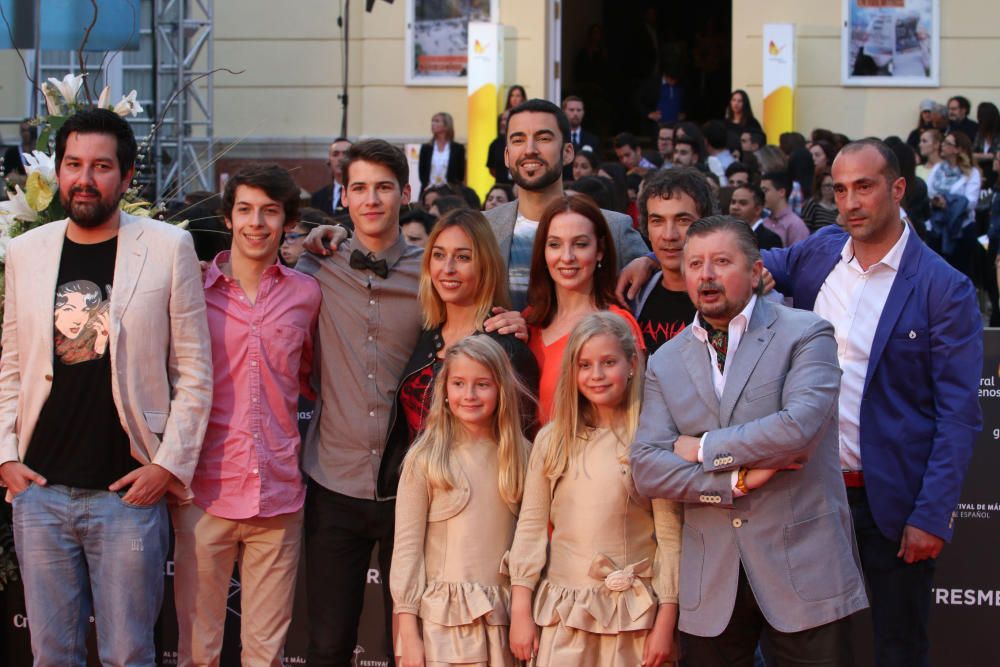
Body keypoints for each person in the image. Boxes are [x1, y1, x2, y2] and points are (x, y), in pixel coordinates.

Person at [294, 139, 525, 666]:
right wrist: (308, 239)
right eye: (358, 189)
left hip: (416, 492)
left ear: (405, 192)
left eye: (383, 187)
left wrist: (517, 320)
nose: (371, 200)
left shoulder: (434, 273)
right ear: (343, 197)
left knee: (412, 644)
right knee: (327, 645)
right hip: (334, 483)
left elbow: (477, 307)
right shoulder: (315, 265)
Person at [0, 108, 213, 665]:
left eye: (100, 166)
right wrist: (4, 456)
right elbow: (12, 364)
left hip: (128, 496)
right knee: (52, 654)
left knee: (128, 654)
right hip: (40, 493)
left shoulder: (168, 247)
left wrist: (166, 466)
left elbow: (193, 372)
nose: (84, 178)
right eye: (73, 164)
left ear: (125, 174)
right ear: (58, 172)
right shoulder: (28, 251)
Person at [762, 139, 982, 667]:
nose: (850, 202)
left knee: (897, 649)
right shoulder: (818, 253)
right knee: (807, 647)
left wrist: (931, 515)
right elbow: (742, 259)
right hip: (808, 493)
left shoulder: (943, 288)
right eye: (839, 189)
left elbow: (958, 416)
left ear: (897, 188)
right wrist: (655, 258)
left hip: (890, 503)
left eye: (864, 186)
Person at [630, 215, 867, 666]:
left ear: (756, 272)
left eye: (722, 261)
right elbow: (646, 466)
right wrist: (734, 482)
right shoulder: (665, 359)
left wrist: (701, 448)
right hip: (711, 579)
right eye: (695, 263)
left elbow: (797, 431)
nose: (707, 275)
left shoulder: (807, 333)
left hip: (803, 570)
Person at [173, 164, 321, 666]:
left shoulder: (307, 294)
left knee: (266, 656)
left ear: (287, 222)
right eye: (245, 210)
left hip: (279, 497)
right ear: (229, 218)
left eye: (270, 211)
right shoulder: (191, 290)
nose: (256, 222)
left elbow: (310, 376)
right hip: (204, 495)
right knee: (198, 651)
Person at [508, 312, 681, 667]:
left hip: (633, 619)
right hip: (563, 614)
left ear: (632, 364)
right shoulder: (552, 440)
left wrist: (666, 619)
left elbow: (670, 537)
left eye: (608, 362)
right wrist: (521, 609)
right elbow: (530, 529)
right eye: (585, 365)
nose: (596, 375)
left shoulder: (650, 442)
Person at [391, 336, 530, 667]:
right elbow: (407, 552)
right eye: (459, 383)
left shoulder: (523, 455)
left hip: (501, 624)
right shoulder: (425, 458)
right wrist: (408, 636)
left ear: (501, 388)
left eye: (482, 384)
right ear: (445, 389)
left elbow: (533, 542)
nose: (469, 395)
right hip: (439, 627)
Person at [387, 208, 538, 475]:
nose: (448, 269)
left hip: (477, 504)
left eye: (463, 257)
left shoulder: (506, 347)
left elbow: (521, 450)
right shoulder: (426, 334)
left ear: (485, 264)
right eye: (439, 255)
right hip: (411, 498)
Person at [484, 98, 648, 311]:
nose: (530, 149)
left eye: (543, 138)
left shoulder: (613, 228)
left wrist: (651, 260)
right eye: (518, 140)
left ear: (567, 152)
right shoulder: (483, 227)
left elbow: (664, 286)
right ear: (507, 156)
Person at [525, 194, 644, 424]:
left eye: (580, 244)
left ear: (599, 250)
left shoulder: (618, 325)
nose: (567, 257)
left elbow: (635, 414)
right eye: (555, 244)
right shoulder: (527, 321)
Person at [632, 168, 708, 355]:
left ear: (707, 224)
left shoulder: (730, 298)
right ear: (647, 229)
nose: (669, 235)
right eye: (657, 221)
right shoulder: (633, 296)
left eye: (682, 220)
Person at [927, 131, 982, 274]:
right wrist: (937, 201)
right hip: (938, 226)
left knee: (958, 271)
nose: (943, 146)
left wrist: (949, 203)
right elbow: (929, 190)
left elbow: (971, 202)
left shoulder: (971, 172)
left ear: (958, 149)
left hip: (961, 230)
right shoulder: (938, 168)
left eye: (948, 143)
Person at [419, 112, 466, 195]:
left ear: (446, 126)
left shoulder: (458, 148)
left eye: (437, 121)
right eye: (432, 121)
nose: (432, 124)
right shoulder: (426, 148)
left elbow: (460, 174)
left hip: (450, 192)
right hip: (429, 190)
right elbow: (422, 172)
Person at [728, 183, 785, 250]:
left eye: (743, 203)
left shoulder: (769, 239)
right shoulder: (727, 235)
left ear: (758, 209)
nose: (735, 207)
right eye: (733, 202)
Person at [761, 170, 809, 246]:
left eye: (765, 190)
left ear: (781, 192)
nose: (761, 195)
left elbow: (799, 256)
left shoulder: (795, 225)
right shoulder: (764, 221)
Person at [311, 137, 352, 217]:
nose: (340, 159)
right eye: (335, 154)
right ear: (329, 161)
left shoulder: (362, 193)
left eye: (346, 154)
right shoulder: (318, 197)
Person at [973, 102, 1000, 185]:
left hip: (995, 172)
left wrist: (980, 156)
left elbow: (998, 155)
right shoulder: (979, 134)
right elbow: (972, 153)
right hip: (980, 170)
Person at [486, 111, 512, 185]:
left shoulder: (523, 141)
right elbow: (492, 169)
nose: (503, 123)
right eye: (501, 120)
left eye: (506, 119)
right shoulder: (494, 144)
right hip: (501, 185)